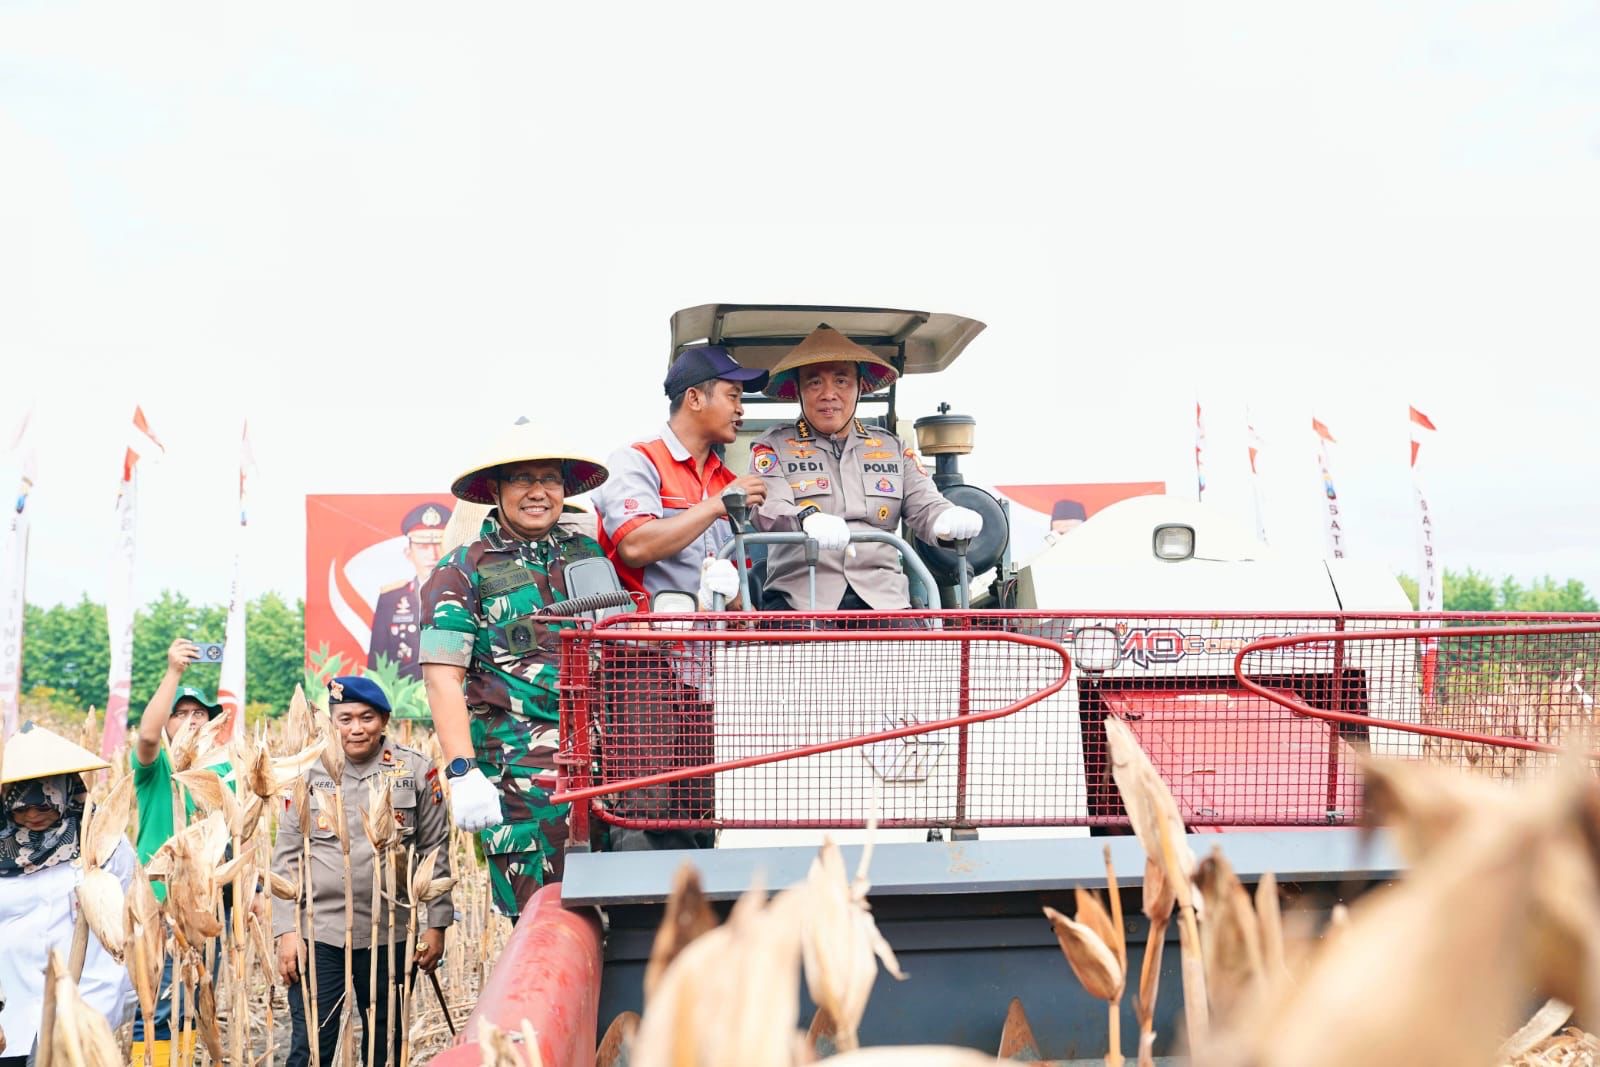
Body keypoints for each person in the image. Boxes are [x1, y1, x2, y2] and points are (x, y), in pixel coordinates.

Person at [419, 424, 609, 917]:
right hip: (521, 784)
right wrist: (462, 772)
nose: (538, 492)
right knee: (541, 929)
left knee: (615, 925)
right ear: (496, 490)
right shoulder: (461, 570)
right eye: (523, 479)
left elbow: (619, 648)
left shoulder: (587, 557)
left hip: (604, 776)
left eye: (550, 479)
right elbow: (442, 677)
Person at [272, 676, 452, 1067]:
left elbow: (435, 850)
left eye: (367, 718)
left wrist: (437, 926)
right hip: (319, 933)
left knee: (385, 1044)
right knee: (310, 1047)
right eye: (345, 718)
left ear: (384, 720)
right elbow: (286, 856)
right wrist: (286, 931)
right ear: (331, 722)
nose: (356, 728)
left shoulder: (415, 770)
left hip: (390, 933)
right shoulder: (306, 772)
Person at [748, 324, 983, 611]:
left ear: (860, 386)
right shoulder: (773, 446)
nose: (828, 394)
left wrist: (946, 517)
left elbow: (925, 504)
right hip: (801, 599)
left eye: (841, 381)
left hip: (885, 600)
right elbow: (768, 506)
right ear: (798, 390)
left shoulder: (892, 448)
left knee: (930, 639)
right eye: (814, 383)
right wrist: (806, 518)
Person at [591, 344, 770, 611]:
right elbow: (635, 548)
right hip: (650, 636)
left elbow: (736, 580)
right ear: (694, 399)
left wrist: (743, 610)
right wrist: (718, 504)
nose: (740, 409)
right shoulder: (637, 459)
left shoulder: (728, 480)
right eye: (733, 396)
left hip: (716, 637)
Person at [130, 638, 240, 1061]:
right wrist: (174, 671)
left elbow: (235, 835)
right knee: (157, 1003)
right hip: (158, 904)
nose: (191, 721)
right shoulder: (156, 767)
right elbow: (146, 734)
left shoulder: (224, 770)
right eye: (181, 714)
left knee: (194, 1002)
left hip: (207, 906)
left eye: (199, 714)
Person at [0, 725, 135, 1065]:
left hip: (81, 1005)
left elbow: (125, 926)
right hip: (8, 1014)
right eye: (21, 808)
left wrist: (105, 1008)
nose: (32, 816)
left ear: (62, 793)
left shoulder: (101, 842)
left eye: (43, 806)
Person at [368, 501, 453, 680]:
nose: (433, 555)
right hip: (405, 694)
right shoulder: (391, 598)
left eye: (439, 545)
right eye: (423, 547)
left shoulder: (465, 594)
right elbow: (376, 664)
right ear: (409, 553)